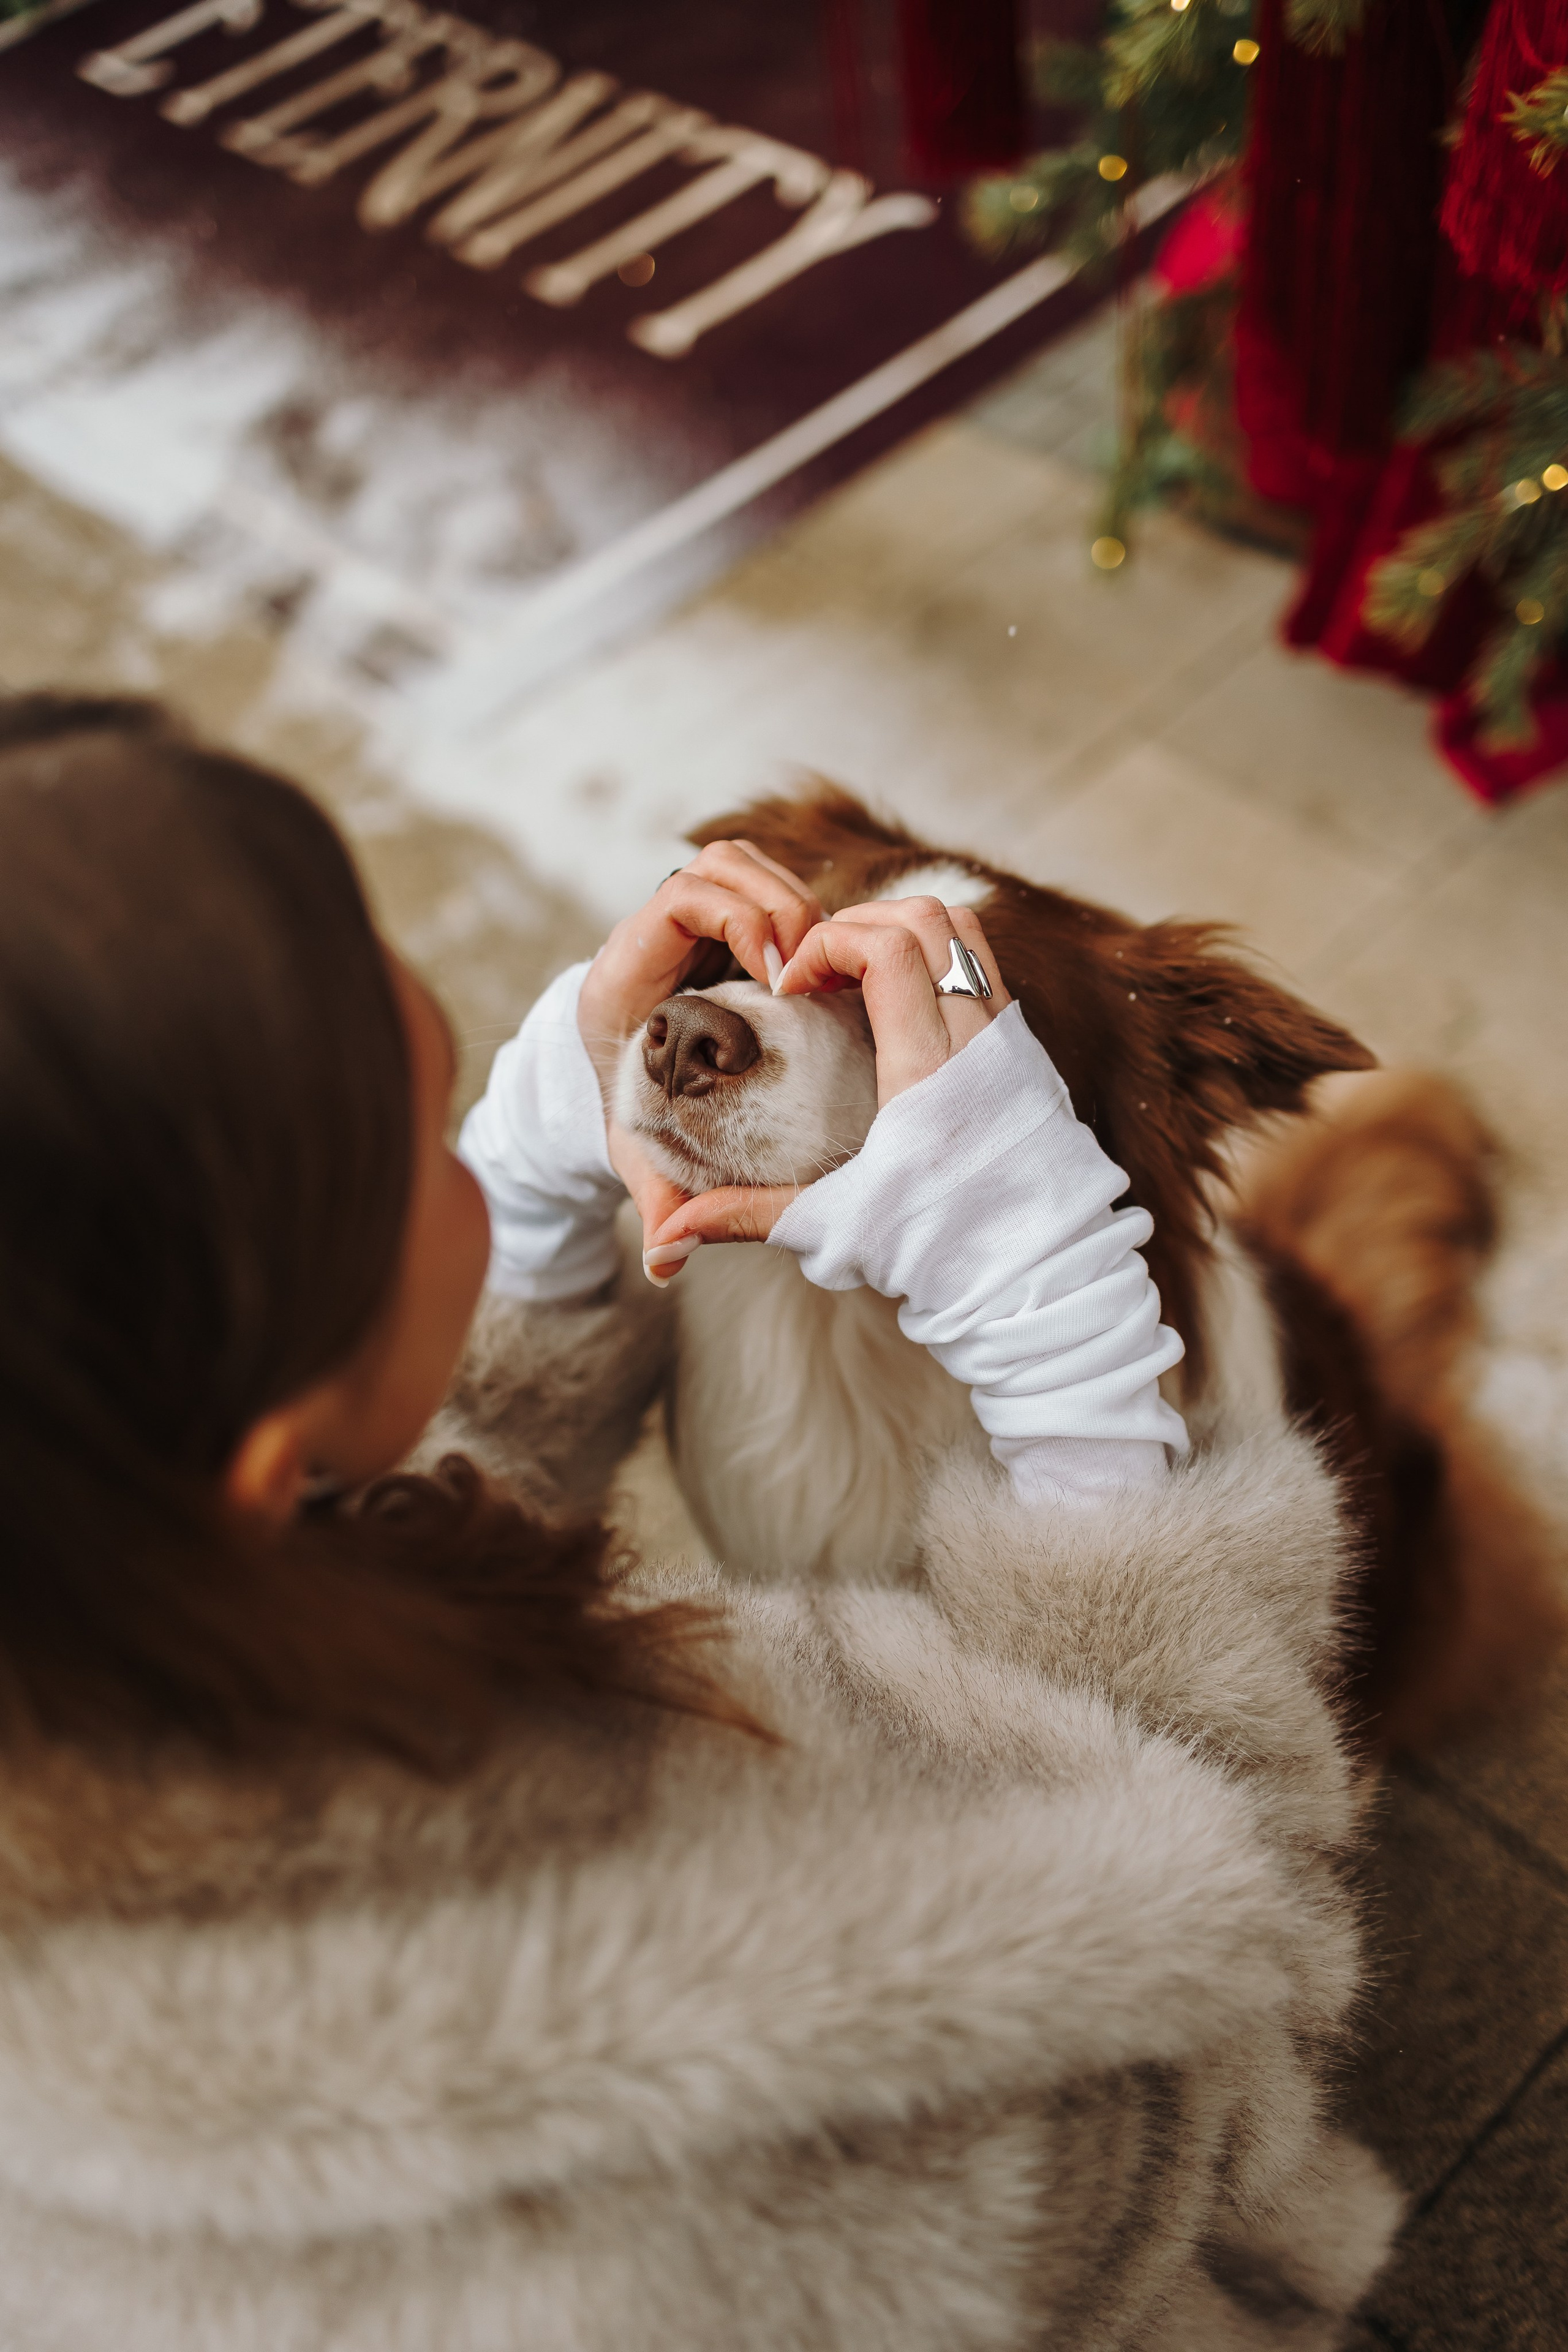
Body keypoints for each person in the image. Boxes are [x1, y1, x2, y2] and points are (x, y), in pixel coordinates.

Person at [0, 693, 1398, 2351]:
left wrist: (529, 1175)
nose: (645, 1052)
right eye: (431, 1133)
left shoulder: (101, 1557)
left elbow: (400, 1493)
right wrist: (1082, 1380)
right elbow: (1224, 1999)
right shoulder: (723, 2081)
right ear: (265, 1443)